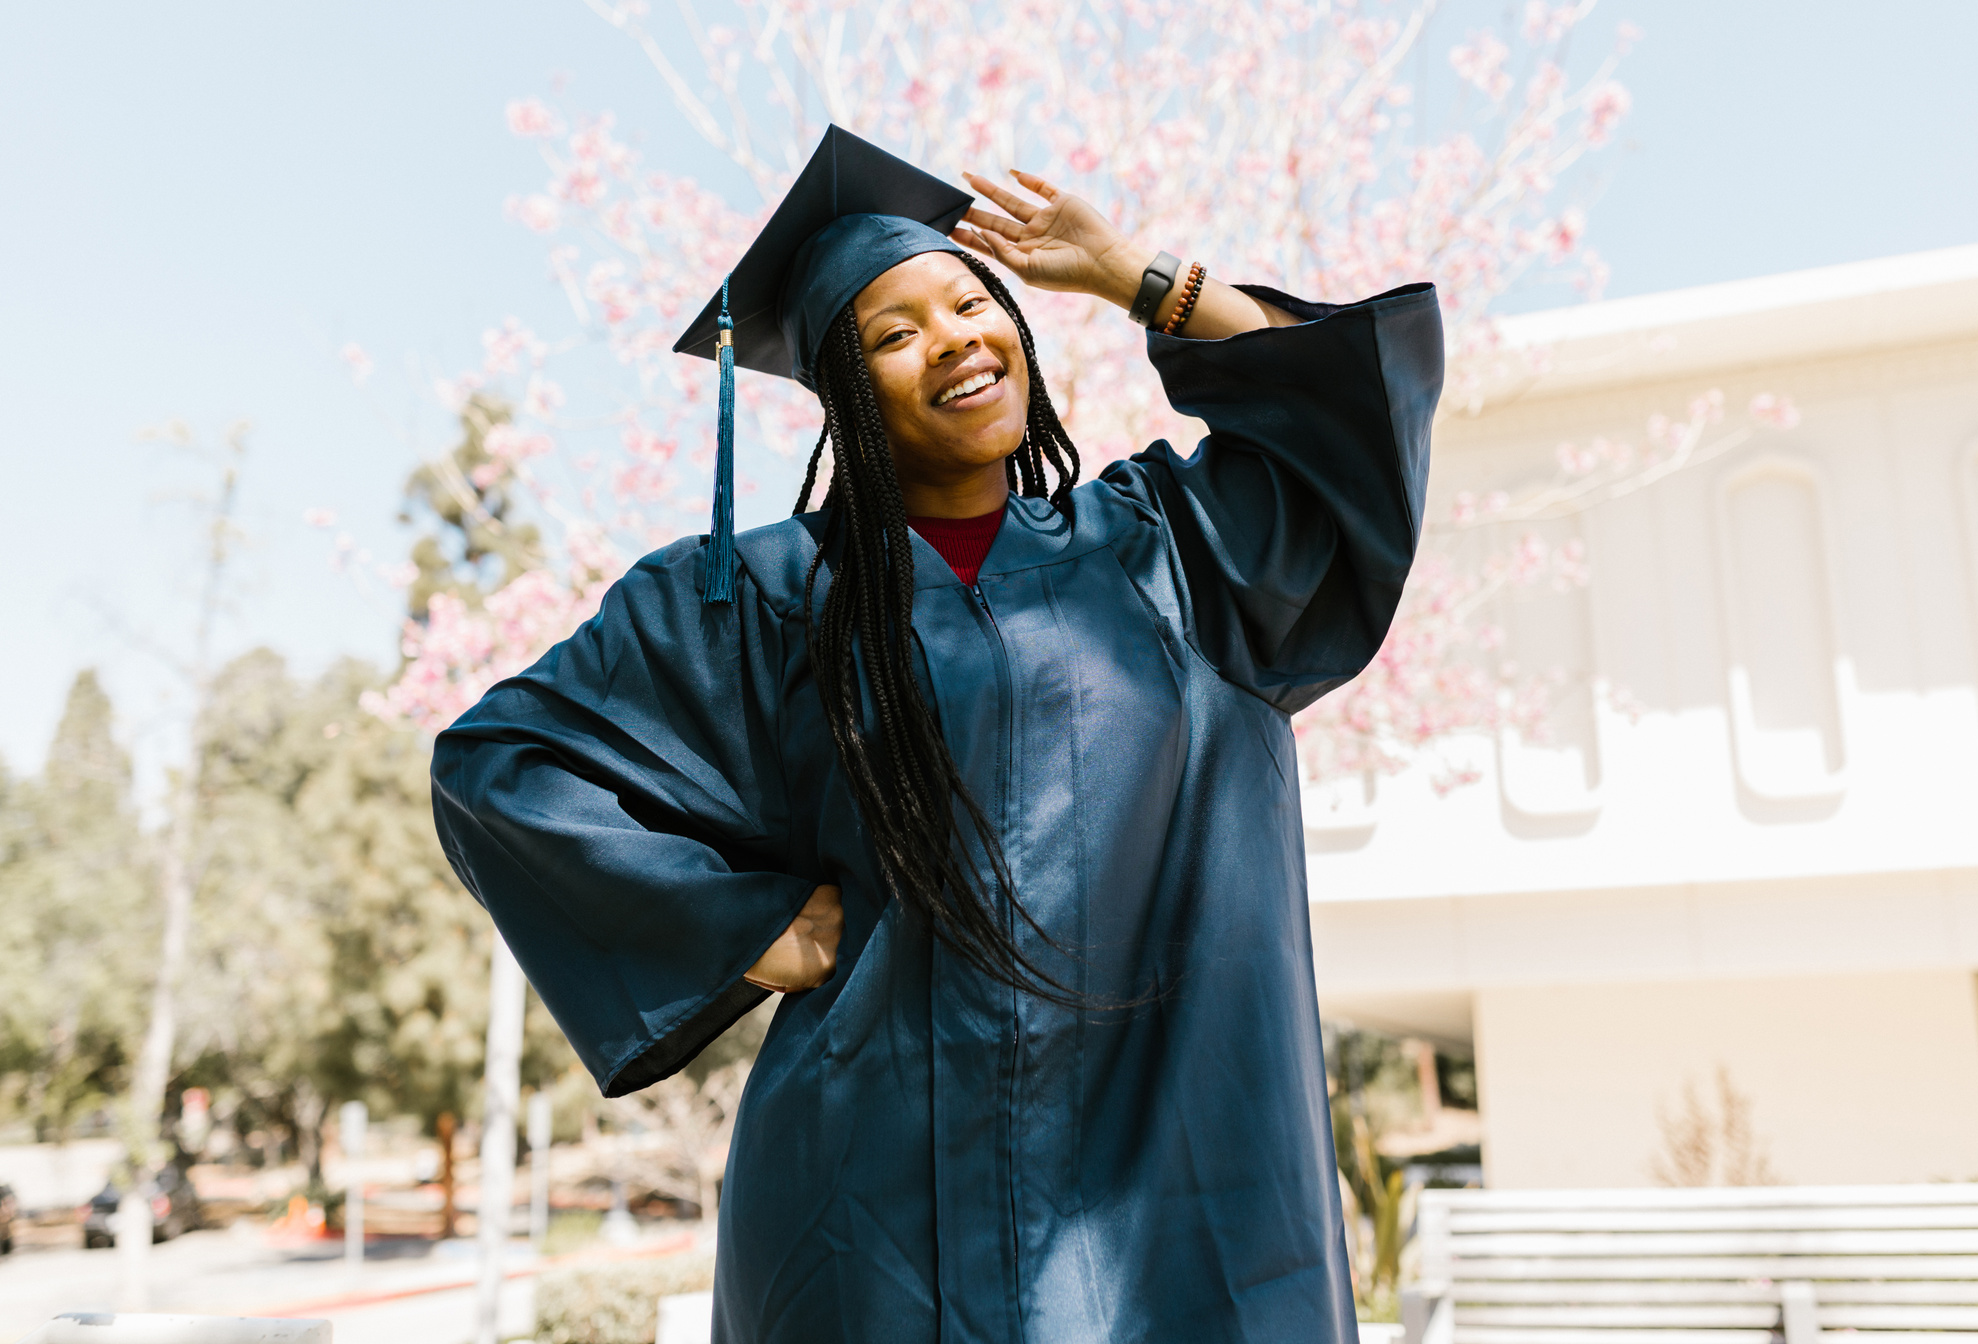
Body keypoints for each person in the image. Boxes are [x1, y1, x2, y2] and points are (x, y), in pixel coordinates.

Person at [431, 125, 1442, 1343]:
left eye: (971, 303)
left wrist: (1138, 275)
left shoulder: (1173, 550)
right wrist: (743, 928)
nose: (955, 339)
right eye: (895, 334)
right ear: (847, 399)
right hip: (874, 1197)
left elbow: (1344, 420)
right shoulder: (758, 598)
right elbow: (504, 769)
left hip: (1174, 1187)